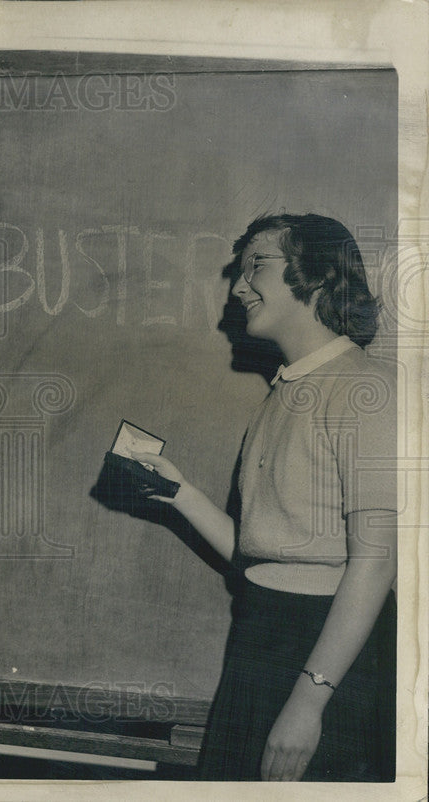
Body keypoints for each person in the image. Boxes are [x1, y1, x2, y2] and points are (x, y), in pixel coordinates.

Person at [135, 214, 396, 781]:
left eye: (259, 265)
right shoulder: (287, 388)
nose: (238, 286)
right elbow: (262, 552)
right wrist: (176, 490)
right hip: (260, 634)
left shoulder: (364, 390)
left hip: (324, 652)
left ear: (321, 274)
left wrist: (309, 703)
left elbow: (375, 565)